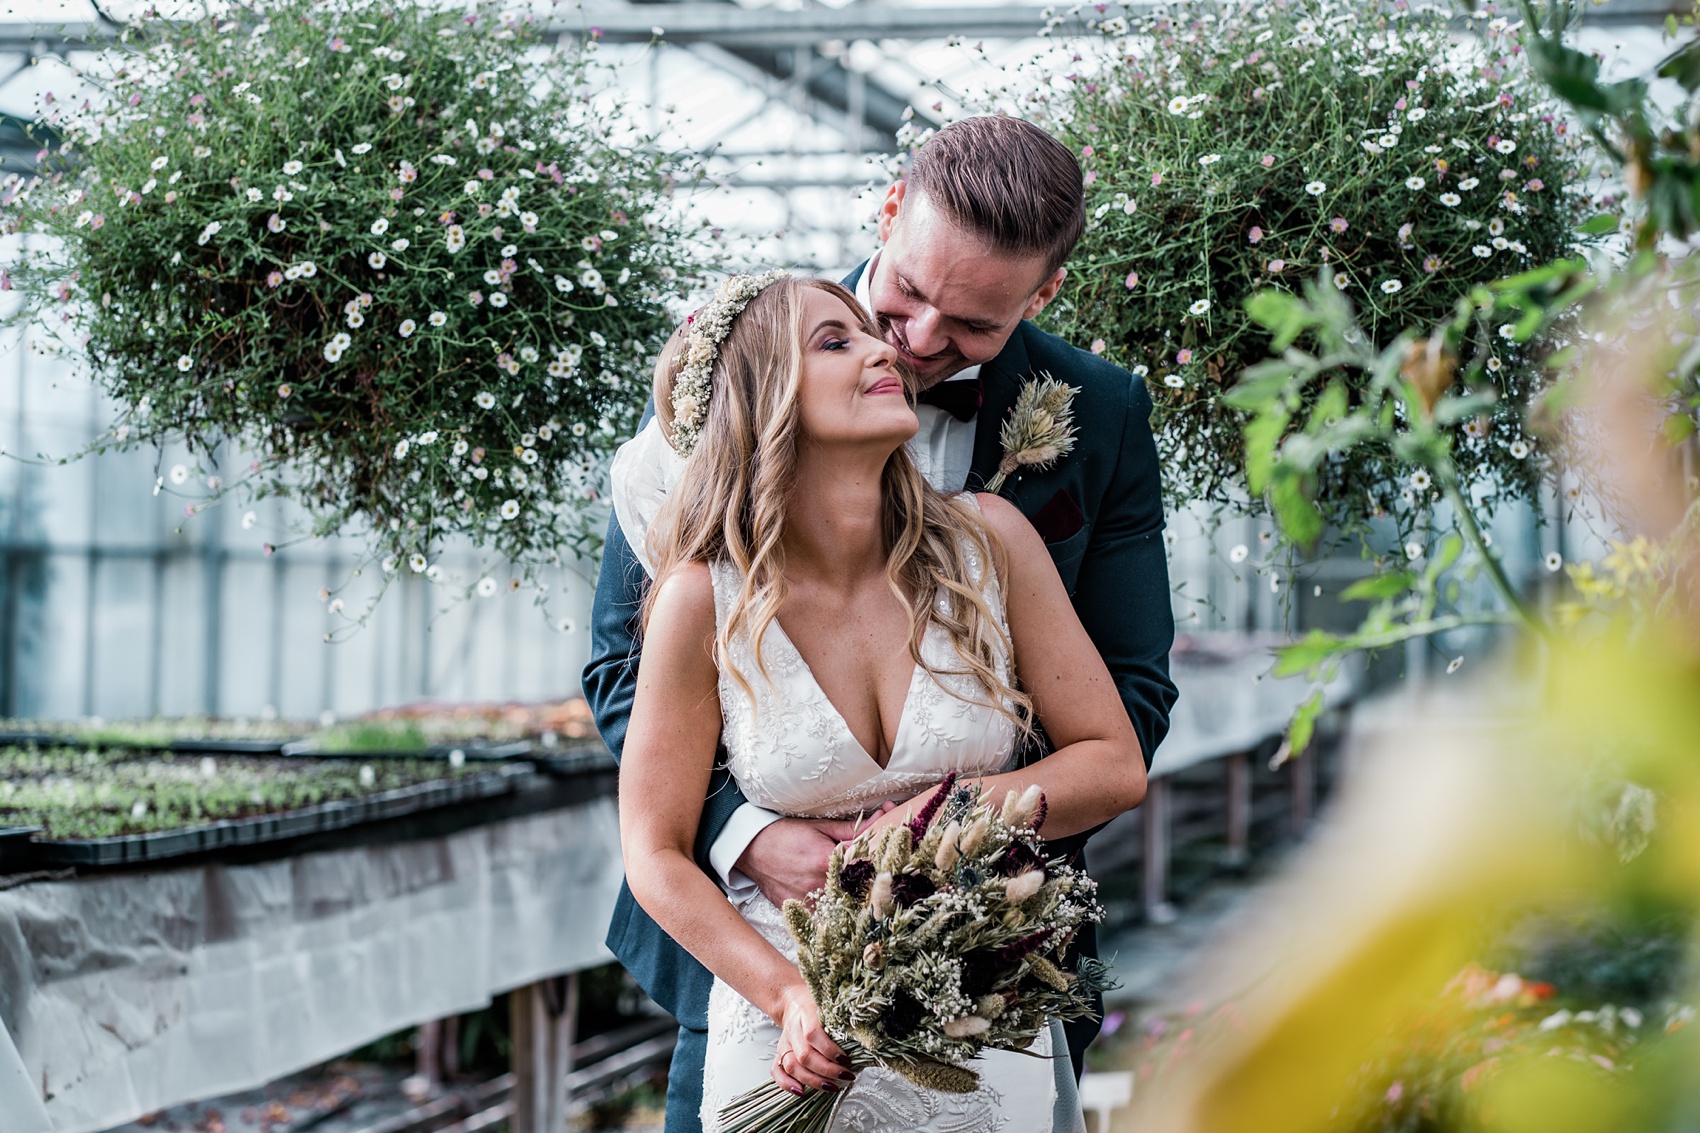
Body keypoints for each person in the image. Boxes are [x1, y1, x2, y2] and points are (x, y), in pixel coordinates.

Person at [584, 116, 1178, 1132]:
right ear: (891, 209)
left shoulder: (1084, 432)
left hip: (990, 961)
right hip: (754, 960)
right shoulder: (743, 359)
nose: (910, 345)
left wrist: (936, 849)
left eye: (973, 327)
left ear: (1040, 297)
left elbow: (1129, 698)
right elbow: (620, 673)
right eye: (904, 296)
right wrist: (752, 837)